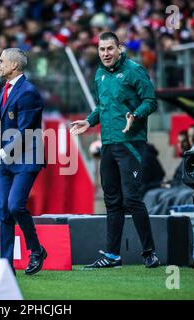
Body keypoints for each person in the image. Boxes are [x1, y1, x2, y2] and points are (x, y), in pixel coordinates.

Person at [70, 32, 160, 268]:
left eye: (110, 48)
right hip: (108, 144)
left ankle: (150, 252)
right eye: (101, 50)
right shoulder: (99, 74)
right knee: (112, 200)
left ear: (119, 48)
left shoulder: (134, 70)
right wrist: (89, 121)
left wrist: (135, 115)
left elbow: (151, 101)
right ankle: (112, 256)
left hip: (131, 143)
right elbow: (102, 107)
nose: (106, 54)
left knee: (132, 198)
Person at [0, 48, 47, 275]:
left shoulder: (28, 93)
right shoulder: (5, 89)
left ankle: (36, 250)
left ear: (14, 65)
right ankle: (6, 266)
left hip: (27, 158)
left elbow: (25, 133)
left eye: (1, 61)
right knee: (3, 211)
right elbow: (3, 129)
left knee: (15, 205)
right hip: (7, 160)